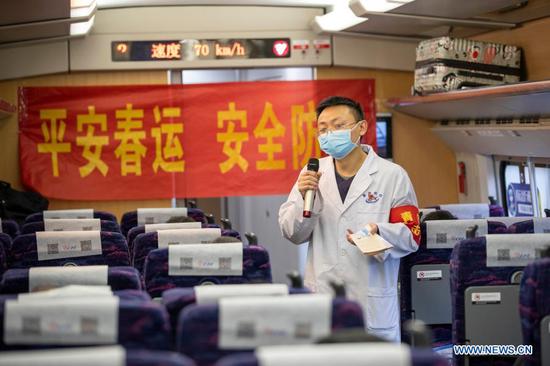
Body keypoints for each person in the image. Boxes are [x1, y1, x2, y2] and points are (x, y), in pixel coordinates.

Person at [278, 96, 420, 342]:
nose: (329, 133)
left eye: (338, 126)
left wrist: (379, 232)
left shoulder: (392, 176)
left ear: (361, 128)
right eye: (323, 129)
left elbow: (411, 235)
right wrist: (303, 198)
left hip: (371, 300)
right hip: (323, 297)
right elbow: (292, 233)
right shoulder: (311, 173)